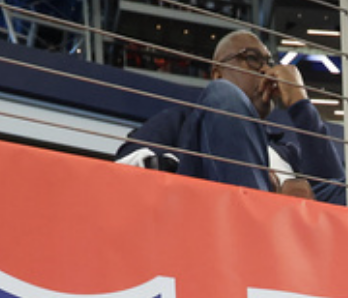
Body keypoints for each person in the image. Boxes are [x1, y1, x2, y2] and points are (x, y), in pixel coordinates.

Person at [118, 31, 335, 195]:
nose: (266, 70)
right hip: (212, 222)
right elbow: (127, 165)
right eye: (252, 58)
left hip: (290, 237)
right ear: (217, 73)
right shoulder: (182, 121)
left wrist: (301, 104)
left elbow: (338, 194)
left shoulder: (287, 150)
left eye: (269, 62)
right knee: (224, 96)